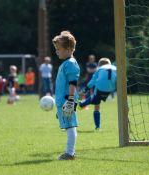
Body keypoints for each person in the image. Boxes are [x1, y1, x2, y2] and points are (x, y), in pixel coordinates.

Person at [52, 31, 80, 160]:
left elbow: (73, 83)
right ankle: (70, 152)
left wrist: (70, 100)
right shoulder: (66, 63)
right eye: (56, 49)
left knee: (70, 126)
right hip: (62, 100)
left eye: (59, 49)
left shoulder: (71, 63)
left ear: (69, 49)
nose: (57, 51)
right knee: (68, 126)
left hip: (66, 100)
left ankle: (69, 153)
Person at [79, 58, 117, 130]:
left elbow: (92, 82)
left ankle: (97, 126)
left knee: (96, 104)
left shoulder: (99, 70)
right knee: (97, 99)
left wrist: (85, 91)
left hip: (100, 88)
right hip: (112, 89)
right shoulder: (115, 68)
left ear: (99, 65)